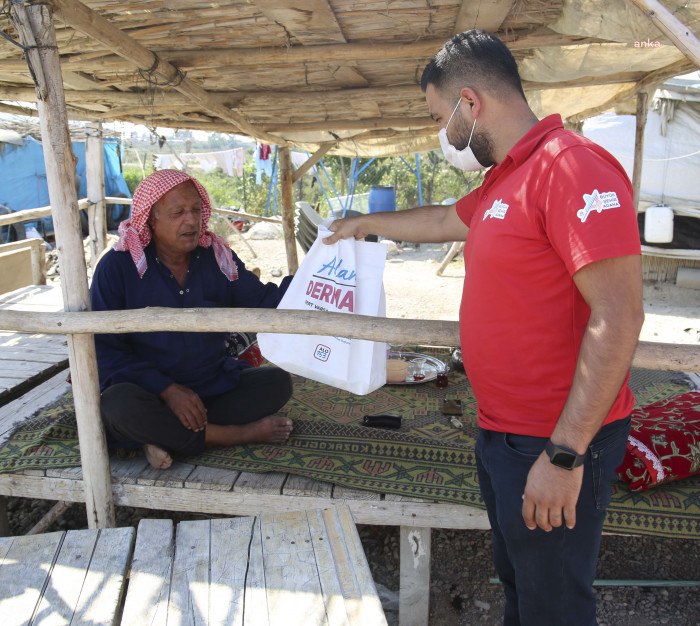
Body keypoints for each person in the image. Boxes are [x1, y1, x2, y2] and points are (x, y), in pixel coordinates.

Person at [325, 30, 644, 625]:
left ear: (471, 103)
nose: (440, 132)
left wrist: (566, 456)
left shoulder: (571, 168)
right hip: (503, 432)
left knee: (556, 604)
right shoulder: (507, 177)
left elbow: (619, 314)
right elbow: (447, 219)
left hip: (554, 438)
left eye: (439, 116)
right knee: (522, 585)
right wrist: (365, 223)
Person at [91, 169, 294, 470]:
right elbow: (106, 354)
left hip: (208, 386)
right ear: (150, 218)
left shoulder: (217, 258)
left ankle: (155, 436)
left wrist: (312, 279)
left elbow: (265, 303)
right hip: (147, 392)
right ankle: (231, 435)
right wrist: (168, 390)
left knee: (277, 383)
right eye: (177, 213)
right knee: (117, 406)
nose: (191, 221)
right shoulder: (117, 267)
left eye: (196, 210)